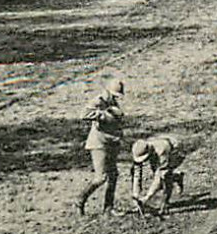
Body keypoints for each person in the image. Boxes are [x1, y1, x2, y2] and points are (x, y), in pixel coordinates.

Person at [76, 79, 127, 216]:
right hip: (99, 144)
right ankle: (80, 199)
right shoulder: (98, 101)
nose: (117, 98)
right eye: (115, 95)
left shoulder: (112, 102)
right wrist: (103, 116)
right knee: (101, 177)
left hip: (111, 143)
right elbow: (83, 114)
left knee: (113, 176)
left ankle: (108, 208)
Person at [130, 134, 185, 216]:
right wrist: (136, 195)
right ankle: (177, 177)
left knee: (166, 177)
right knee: (156, 173)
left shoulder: (162, 150)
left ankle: (165, 203)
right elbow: (137, 173)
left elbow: (160, 176)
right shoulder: (139, 149)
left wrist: (146, 198)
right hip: (157, 153)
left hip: (175, 152)